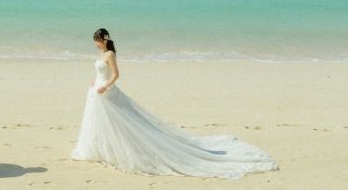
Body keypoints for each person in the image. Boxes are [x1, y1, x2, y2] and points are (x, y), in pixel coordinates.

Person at [71, 28, 277, 178]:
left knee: (123, 122)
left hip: (105, 91)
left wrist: (105, 86)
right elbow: (101, 71)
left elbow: (116, 74)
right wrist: (95, 81)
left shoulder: (110, 54)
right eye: (95, 41)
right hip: (97, 89)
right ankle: (98, 148)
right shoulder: (101, 55)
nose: (96, 43)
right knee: (98, 121)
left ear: (104, 40)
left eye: (97, 40)